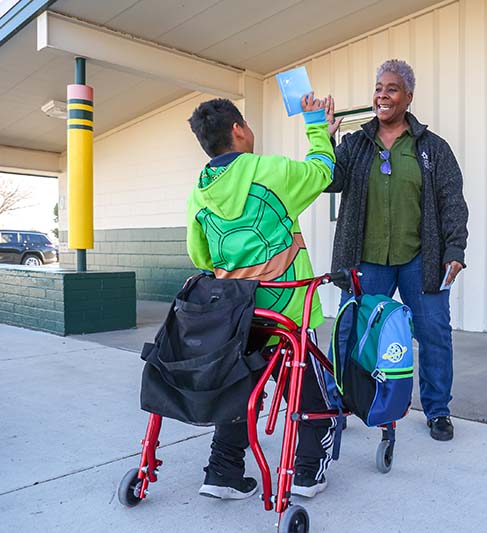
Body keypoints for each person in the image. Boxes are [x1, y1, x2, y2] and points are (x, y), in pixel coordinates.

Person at [186, 94, 338, 500]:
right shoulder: (270, 171)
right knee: (310, 396)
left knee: (241, 391)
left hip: (237, 314)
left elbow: (199, 255)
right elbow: (323, 170)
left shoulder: (200, 193)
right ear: (238, 130)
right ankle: (306, 473)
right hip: (288, 310)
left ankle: (223, 474)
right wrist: (318, 128)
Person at [325, 59, 469, 441]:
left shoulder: (432, 148)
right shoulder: (356, 144)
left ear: (408, 96)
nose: (382, 95)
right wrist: (324, 140)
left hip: (419, 259)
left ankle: (437, 409)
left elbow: (452, 200)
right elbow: (329, 181)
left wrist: (455, 248)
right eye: (378, 88)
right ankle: (337, 402)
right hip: (366, 259)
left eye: (391, 89)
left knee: (434, 332)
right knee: (349, 332)